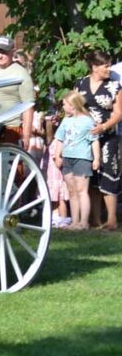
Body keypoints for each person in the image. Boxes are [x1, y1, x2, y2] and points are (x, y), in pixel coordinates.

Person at [75, 50, 122, 230]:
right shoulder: (81, 83)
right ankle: (95, 219)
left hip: (108, 136)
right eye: (106, 65)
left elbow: (119, 113)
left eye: (109, 65)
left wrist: (103, 126)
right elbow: (75, 106)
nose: (109, 69)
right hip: (87, 137)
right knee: (92, 176)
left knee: (110, 173)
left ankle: (111, 219)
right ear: (94, 67)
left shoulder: (115, 86)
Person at [54, 90, 100, 230]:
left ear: (72, 106)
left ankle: (84, 222)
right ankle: (75, 222)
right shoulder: (66, 121)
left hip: (82, 158)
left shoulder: (87, 121)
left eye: (64, 104)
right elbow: (60, 139)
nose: (63, 107)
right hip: (68, 158)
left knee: (82, 190)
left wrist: (96, 159)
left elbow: (94, 141)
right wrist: (57, 155)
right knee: (72, 191)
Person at [0, 36, 35, 148]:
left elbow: (28, 106)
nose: (0, 56)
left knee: (11, 164)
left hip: (11, 128)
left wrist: (26, 136)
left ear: (13, 52)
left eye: (4, 52)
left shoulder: (21, 73)